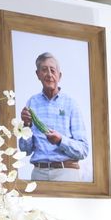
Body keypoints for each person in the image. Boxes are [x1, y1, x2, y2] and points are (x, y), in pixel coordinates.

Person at [18, 52, 90, 182]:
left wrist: (60, 140)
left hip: (66, 173)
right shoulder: (31, 103)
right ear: (38, 74)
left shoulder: (71, 104)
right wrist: (26, 126)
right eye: (44, 70)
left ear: (59, 75)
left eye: (53, 70)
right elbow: (25, 150)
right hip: (39, 173)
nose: (49, 74)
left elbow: (83, 150)